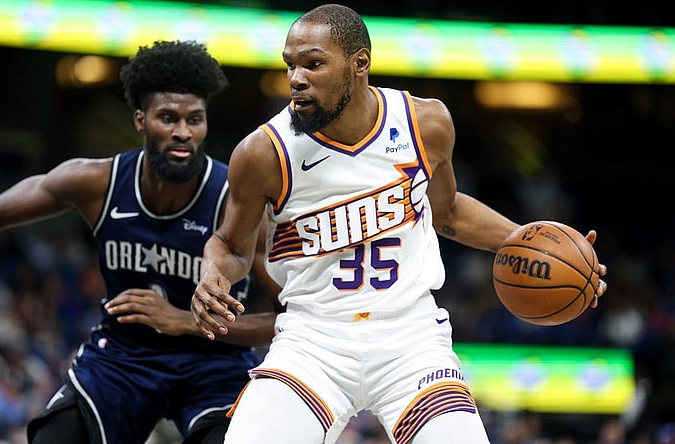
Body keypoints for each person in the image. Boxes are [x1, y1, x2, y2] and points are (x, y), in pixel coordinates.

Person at [190, 4, 609, 444]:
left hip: (410, 337)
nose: (297, 77)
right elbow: (231, 246)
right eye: (291, 64)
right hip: (314, 340)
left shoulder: (424, 123)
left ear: (359, 65)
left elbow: (447, 213)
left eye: (313, 63)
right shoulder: (263, 152)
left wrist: (540, 249)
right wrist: (211, 276)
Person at [0, 40, 281, 444]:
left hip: (213, 365)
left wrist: (184, 320)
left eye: (195, 120)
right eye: (168, 118)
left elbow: (283, 321)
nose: (183, 133)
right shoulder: (98, 182)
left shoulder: (236, 200)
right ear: (140, 120)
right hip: (122, 359)